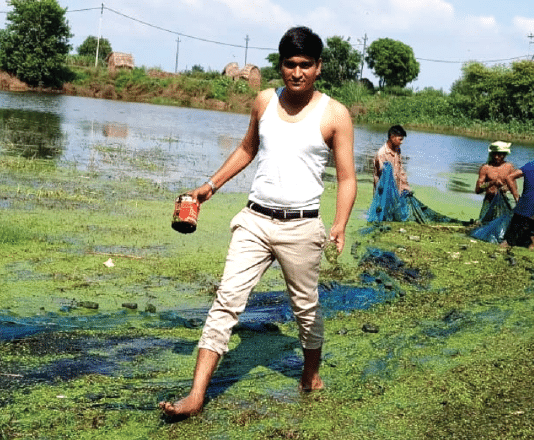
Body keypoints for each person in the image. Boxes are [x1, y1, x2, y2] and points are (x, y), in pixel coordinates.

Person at [159, 26, 357, 418]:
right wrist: (209, 186)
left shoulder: (334, 114)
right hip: (255, 219)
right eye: (289, 64)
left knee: (305, 309)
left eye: (305, 65)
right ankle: (197, 396)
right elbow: (248, 148)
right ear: (280, 65)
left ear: (318, 68)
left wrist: (339, 224)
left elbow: (348, 177)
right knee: (225, 302)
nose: (296, 73)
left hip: (301, 226)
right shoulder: (264, 101)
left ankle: (310, 376)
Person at [475, 141, 517, 222]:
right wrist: (492, 183)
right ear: (492, 154)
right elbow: (478, 189)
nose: (497, 157)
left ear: (505, 154)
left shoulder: (509, 167)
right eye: (495, 154)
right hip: (489, 201)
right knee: (484, 223)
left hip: (503, 201)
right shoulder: (486, 168)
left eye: (500, 154)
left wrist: (506, 188)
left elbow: (514, 187)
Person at [373, 125, 411, 196]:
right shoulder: (382, 153)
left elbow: (401, 171)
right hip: (383, 194)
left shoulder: (397, 150)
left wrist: (406, 188)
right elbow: (384, 177)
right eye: (400, 139)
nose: (402, 142)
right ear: (392, 137)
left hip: (396, 192)